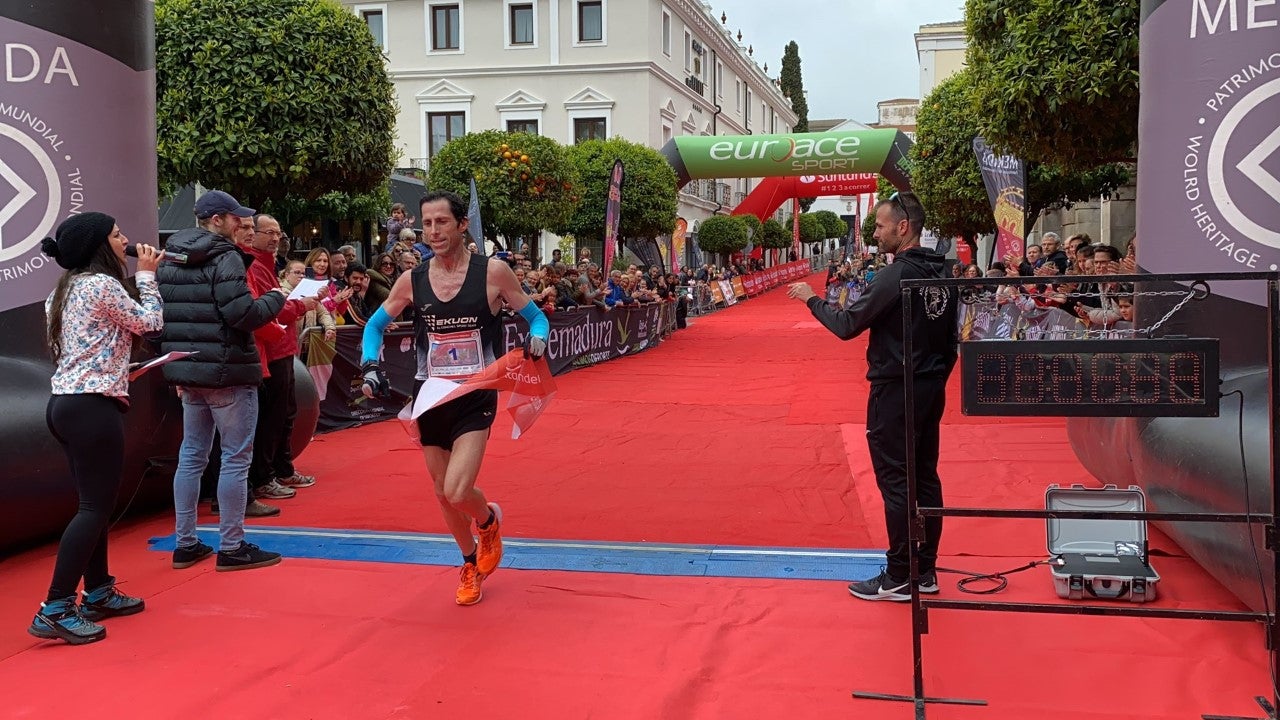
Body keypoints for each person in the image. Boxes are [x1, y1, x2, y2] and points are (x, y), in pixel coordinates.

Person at [359, 190, 550, 606]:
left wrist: (537, 338)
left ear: (462, 225)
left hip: (477, 391)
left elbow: (536, 316)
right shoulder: (412, 279)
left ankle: (487, 521)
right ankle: (468, 563)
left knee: (458, 489)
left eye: (442, 222)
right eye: (426, 224)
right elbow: (373, 327)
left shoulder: (493, 272)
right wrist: (370, 364)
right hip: (430, 395)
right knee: (441, 492)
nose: (433, 231)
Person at [787, 191, 957, 602]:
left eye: (880, 226)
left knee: (897, 481)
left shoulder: (894, 276)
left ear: (903, 228)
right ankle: (925, 569)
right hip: (930, 389)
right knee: (925, 476)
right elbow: (952, 341)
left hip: (896, 389)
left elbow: (847, 324)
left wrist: (810, 299)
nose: (875, 233)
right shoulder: (945, 274)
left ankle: (900, 573)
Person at [28, 213, 164, 645]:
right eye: (117, 234)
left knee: (95, 505)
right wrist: (146, 277)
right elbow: (151, 324)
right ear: (98, 246)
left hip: (67, 404)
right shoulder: (102, 285)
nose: (127, 239)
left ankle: (100, 590)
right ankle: (55, 607)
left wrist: (118, 371)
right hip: (90, 408)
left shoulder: (62, 292)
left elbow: (85, 350)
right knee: (94, 509)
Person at [157, 190, 288, 572]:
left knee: (192, 456)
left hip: (189, 371)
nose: (242, 226)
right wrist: (277, 299)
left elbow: (160, 317)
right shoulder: (225, 256)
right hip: (229, 371)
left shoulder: (169, 258)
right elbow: (242, 314)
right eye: (237, 219)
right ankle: (231, 546)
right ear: (217, 220)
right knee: (234, 459)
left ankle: (186, 542)